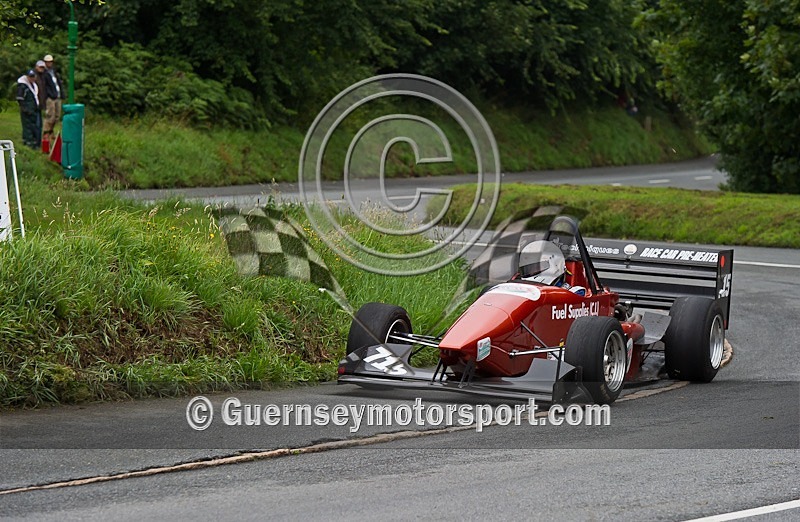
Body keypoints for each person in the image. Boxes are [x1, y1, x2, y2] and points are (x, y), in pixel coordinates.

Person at [42, 54, 65, 144]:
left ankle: (51, 131)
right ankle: (46, 132)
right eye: (47, 62)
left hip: (57, 96)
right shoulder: (44, 73)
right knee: (50, 115)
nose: (49, 63)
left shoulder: (54, 71)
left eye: (50, 62)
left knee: (57, 116)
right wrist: (48, 95)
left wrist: (62, 93)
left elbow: (58, 83)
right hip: (50, 97)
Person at [16, 69, 41, 149]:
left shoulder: (34, 85)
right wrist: (24, 108)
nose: (32, 78)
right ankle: (28, 142)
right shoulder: (22, 86)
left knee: (34, 125)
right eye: (30, 77)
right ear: (27, 77)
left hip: (34, 109)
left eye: (33, 76)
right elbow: (20, 98)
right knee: (27, 126)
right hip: (27, 109)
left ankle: (34, 142)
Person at [34, 60, 48, 146]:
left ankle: (38, 142)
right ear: (36, 67)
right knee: (36, 123)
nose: (41, 69)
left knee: (39, 124)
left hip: (41, 103)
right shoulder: (34, 76)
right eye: (40, 67)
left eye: (43, 67)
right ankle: (35, 142)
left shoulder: (43, 76)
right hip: (35, 103)